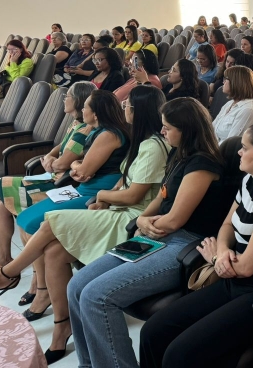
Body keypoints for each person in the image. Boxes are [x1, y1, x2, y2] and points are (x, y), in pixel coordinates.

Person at [0, 87, 169, 364]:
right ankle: (61, 325)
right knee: (52, 251)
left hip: (130, 215)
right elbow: (122, 180)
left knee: (51, 222)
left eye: (129, 105)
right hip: (115, 205)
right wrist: (106, 198)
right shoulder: (139, 141)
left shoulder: (151, 145)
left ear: (139, 111)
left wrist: (102, 196)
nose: (124, 107)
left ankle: (9, 271)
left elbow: (135, 195)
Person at [68, 98, 226, 368]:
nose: (163, 132)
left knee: (97, 297)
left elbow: (175, 220)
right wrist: (142, 220)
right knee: (76, 287)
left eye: (167, 128)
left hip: (183, 245)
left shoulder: (202, 164)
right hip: (155, 236)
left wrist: (148, 224)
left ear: (186, 129)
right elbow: (160, 201)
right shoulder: (179, 155)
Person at [139, 121, 253, 368]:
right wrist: (224, 250)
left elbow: (248, 267)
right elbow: (227, 225)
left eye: (244, 148)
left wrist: (216, 258)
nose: (238, 152)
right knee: (152, 331)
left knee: (179, 355)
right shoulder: (250, 181)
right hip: (234, 277)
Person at [0, 81, 95, 312]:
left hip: (62, 182)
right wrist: (51, 158)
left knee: (9, 198)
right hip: (53, 177)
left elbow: (62, 161)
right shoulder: (75, 123)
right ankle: (5, 261)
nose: (63, 99)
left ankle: (37, 283)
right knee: (1, 206)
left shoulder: (86, 130)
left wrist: (53, 162)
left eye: (67, 96)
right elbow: (56, 151)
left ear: (78, 101)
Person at [212, 66, 253, 144]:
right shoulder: (229, 104)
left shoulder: (247, 110)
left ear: (235, 82)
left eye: (226, 79)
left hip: (223, 153)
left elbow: (230, 144)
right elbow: (212, 129)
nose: (223, 82)